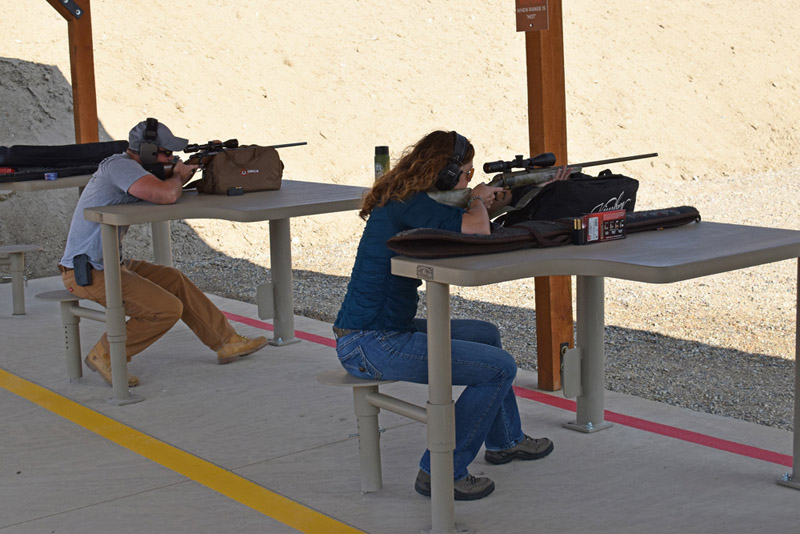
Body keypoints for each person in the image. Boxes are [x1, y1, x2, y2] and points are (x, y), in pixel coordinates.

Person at [333, 130, 570, 500]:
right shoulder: (408, 203)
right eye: (465, 174)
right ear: (443, 175)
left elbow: (467, 223)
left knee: (485, 334)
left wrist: (515, 195)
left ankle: (505, 441)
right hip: (371, 343)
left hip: (378, 331)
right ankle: (441, 470)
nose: (468, 181)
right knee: (500, 367)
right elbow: (476, 228)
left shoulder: (407, 199)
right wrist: (477, 201)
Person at [59, 119, 268, 388]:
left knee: (174, 280)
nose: (172, 157)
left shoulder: (136, 169)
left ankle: (226, 341)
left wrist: (195, 165)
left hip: (112, 262)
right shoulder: (119, 167)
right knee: (167, 309)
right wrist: (178, 175)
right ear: (145, 151)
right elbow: (166, 195)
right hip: (87, 272)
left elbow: (169, 186)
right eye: (166, 153)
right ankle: (106, 354)